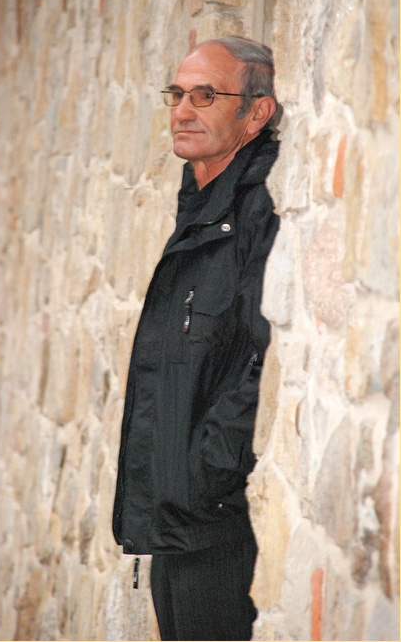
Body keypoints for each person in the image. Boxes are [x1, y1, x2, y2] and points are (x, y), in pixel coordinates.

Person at [113, 36, 280, 641]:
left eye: (206, 95)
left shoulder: (260, 211)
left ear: (255, 113)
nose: (183, 110)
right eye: (178, 94)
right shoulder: (200, 208)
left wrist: (203, 476)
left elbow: (267, 361)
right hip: (175, 519)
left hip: (218, 524)